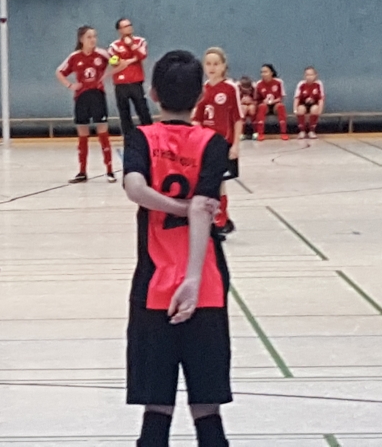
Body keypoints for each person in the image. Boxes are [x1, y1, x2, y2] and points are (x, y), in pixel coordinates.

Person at [122, 50, 232, 447]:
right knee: (207, 410)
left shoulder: (141, 137)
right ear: (200, 97)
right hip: (206, 287)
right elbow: (202, 209)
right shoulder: (213, 143)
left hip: (154, 287)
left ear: (152, 93)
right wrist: (193, 279)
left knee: (156, 410)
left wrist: (174, 207)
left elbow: (134, 188)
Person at [192, 48, 243, 237]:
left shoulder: (230, 88)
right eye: (208, 64)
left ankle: (221, 221)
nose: (212, 68)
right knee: (209, 182)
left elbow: (238, 118)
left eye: (216, 64)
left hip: (223, 142)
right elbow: (197, 118)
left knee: (219, 181)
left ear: (223, 66)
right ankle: (221, 219)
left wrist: (235, 145)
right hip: (206, 143)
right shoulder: (203, 89)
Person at [56, 26, 116, 184]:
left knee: (102, 132)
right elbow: (59, 72)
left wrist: (108, 73)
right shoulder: (75, 56)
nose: (93, 40)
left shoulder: (102, 53)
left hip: (97, 96)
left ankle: (110, 171)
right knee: (83, 134)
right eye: (89, 37)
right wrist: (70, 85)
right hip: (81, 97)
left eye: (94, 36)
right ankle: (82, 171)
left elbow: (118, 62)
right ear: (81, 39)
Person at [108, 18, 153, 136]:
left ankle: (149, 135)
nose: (128, 28)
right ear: (119, 30)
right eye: (124, 27)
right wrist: (132, 60)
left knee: (143, 110)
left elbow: (142, 55)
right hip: (120, 83)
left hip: (136, 82)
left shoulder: (140, 41)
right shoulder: (114, 45)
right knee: (124, 113)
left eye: (129, 25)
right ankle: (128, 137)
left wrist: (131, 45)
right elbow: (114, 61)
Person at [253, 64, 288, 141]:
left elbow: (281, 97)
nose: (263, 74)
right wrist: (263, 101)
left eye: (265, 72)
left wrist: (273, 101)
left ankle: (283, 132)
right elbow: (257, 99)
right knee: (262, 107)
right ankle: (260, 133)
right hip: (266, 106)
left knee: (280, 106)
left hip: (275, 104)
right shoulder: (259, 84)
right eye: (262, 72)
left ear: (271, 73)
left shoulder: (278, 82)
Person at [294, 66, 325, 139]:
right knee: (300, 109)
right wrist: (295, 109)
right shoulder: (301, 84)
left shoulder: (319, 84)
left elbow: (321, 99)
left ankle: (311, 131)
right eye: (307, 75)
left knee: (315, 109)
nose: (309, 77)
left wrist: (320, 110)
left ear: (315, 75)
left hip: (314, 104)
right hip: (303, 104)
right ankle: (302, 131)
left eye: (311, 75)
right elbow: (297, 98)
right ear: (304, 76)